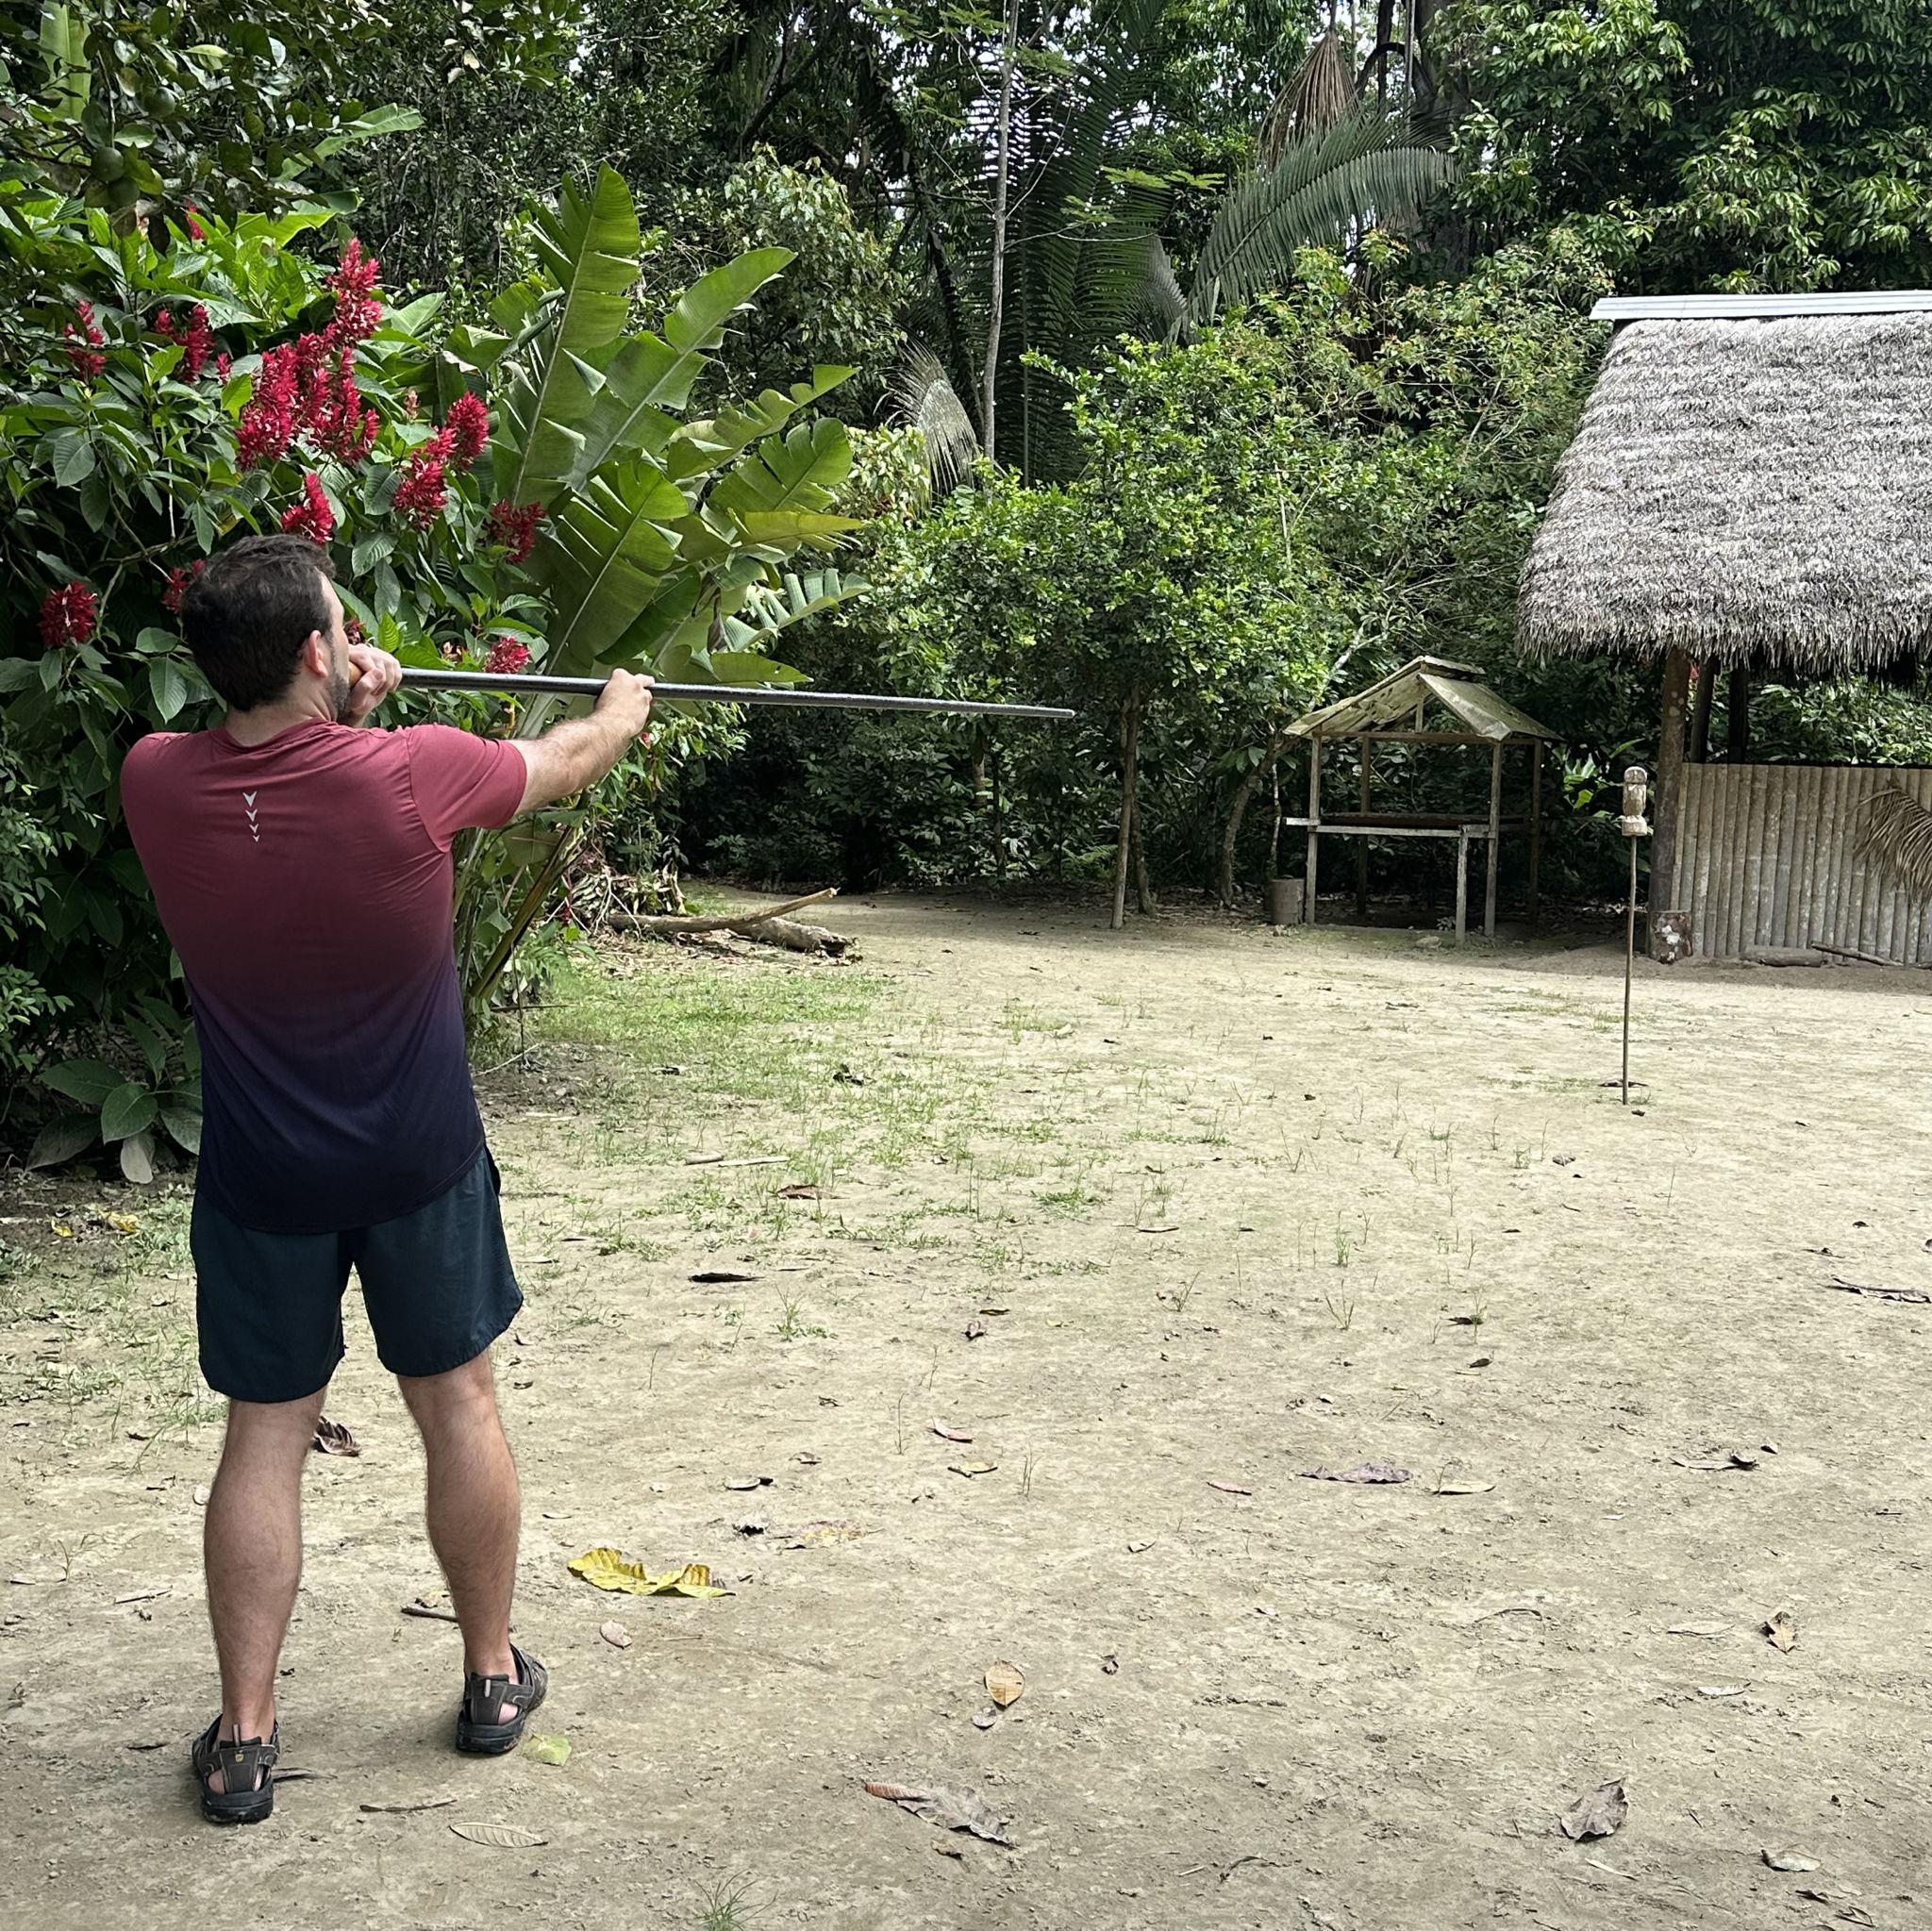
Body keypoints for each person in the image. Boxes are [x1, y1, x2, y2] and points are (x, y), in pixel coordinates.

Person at [121, 533, 654, 1824]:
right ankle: (488, 1675)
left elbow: (268, 769)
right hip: (417, 1161)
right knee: (459, 1403)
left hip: (262, 1177)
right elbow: (568, 761)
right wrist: (622, 709)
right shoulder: (416, 773)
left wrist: (334, 702)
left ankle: (245, 1738)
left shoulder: (154, 781)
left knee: (264, 1432)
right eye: (337, 627)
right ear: (316, 650)